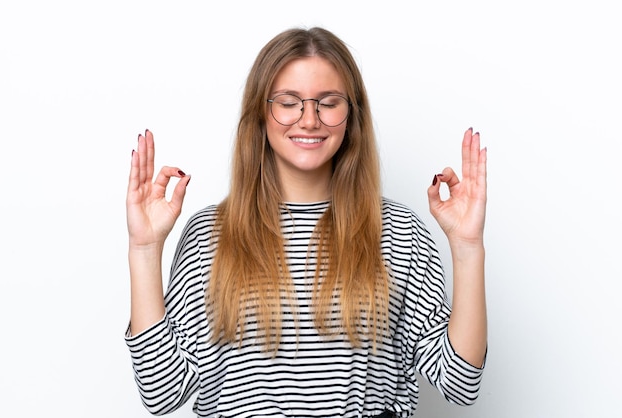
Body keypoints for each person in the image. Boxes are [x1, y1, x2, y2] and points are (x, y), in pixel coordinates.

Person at [125, 26, 487, 418]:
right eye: (288, 101)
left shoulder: (400, 231)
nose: (309, 119)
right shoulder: (210, 235)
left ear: (352, 115)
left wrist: (468, 249)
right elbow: (162, 393)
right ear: (260, 114)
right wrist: (144, 250)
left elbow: (459, 383)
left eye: (328, 103)